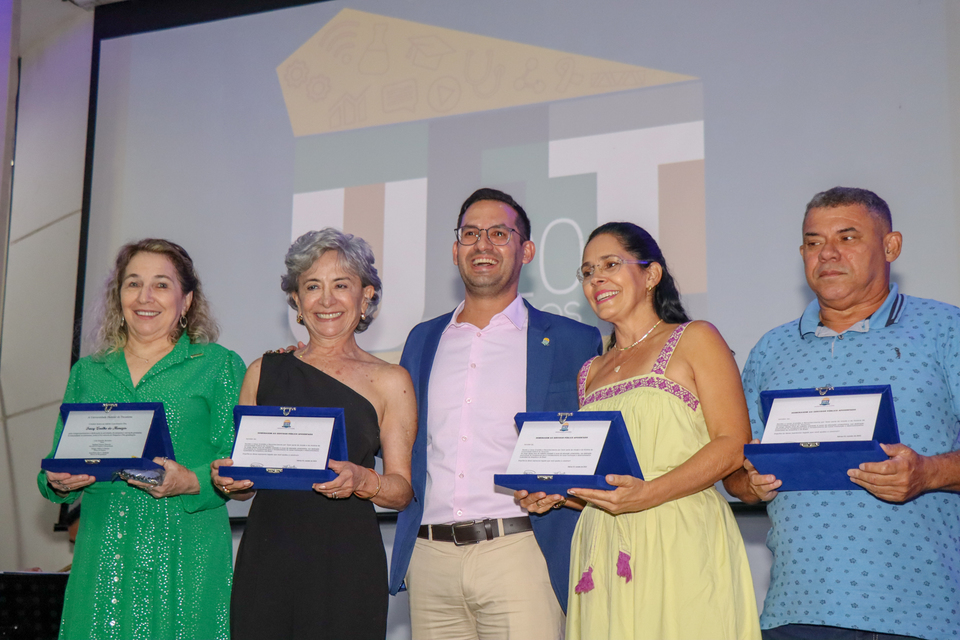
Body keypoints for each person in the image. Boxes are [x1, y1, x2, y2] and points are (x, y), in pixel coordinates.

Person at [725, 187, 960, 640]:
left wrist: (929, 472)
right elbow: (736, 470)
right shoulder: (772, 349)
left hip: (919, 614)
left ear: (891, 246)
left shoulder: (944, 330)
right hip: (794, 613)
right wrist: (749, 484)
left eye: (847, 238)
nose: (827, 254)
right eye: (813, 243)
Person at [522, 221, 760, 640]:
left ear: (651, 275)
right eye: (588, 271)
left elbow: (732, 443)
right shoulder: (589, 371)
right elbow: (608, 481)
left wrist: (648, 493)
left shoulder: (695, 338)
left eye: (611, 264)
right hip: (602, 546)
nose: (597, 279)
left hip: (679, 536)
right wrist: (558, 494)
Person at [388, 188, 602, 639]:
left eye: (498, 233)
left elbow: (592, 448)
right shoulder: (421, 341)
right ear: (454, 250)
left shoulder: (573, 341)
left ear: (525, 250)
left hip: (522, 551)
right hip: (431, 559)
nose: (482, 244)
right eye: (470, 233)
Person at [213, 228, 416, 640]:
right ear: (296, 301)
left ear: (367, 296)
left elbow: (401, 491)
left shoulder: (391, 381)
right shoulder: (262, 371)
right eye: (312, 287)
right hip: (266, 558)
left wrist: (363, 480)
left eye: (341, 285)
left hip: (346, 561)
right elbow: (245, 483)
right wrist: (229, 481)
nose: (326, 300)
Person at [38, 239, 245, 640]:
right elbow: (55, 463)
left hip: (187, 551)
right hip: (104, 552)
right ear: (119, 296)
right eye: (133, 283)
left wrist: (190, 481)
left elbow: (239, 466)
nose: (144, 297)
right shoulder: (88, 373)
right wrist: (57, 481)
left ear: (186, 301)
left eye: (161, 284)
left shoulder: (219, 366)